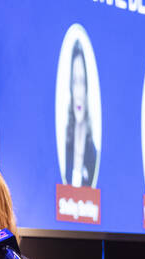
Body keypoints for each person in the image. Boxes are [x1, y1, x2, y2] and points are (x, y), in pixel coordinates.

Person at [65, 41, 97, 188]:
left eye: (82, 82)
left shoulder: (93, 154)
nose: (78, 92)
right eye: (74, 82)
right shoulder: (64, 146)